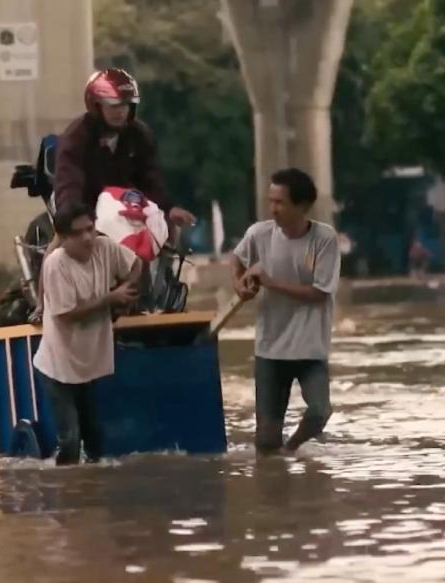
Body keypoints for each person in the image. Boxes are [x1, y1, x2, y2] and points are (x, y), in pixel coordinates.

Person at [33, 68, 196, 318]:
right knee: (58, 244)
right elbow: (69, 182)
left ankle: (155, 297)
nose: (120, 111)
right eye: (113, 105)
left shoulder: (139, 135)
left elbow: (150, 177)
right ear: (96, 105)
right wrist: (74, 220)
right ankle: (42, 304)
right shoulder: (76, 137)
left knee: (165, 235)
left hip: (124, 206)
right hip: (83, 204)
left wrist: (168, 207)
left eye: (126, 105)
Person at [232, 168, 341, 455]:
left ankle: (291, 450)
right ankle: (272, 479)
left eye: (280, 203)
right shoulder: (259, 234)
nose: (273, 209)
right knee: (266, 440)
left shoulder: (324, 239)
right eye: (271, 201)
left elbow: (319, 293)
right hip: (270, 348)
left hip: (310, 349)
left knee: (320, 411)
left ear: (302, 206)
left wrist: (270, 282)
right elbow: (238, 259)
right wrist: (240, 285)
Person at [32, 203, 143, 465]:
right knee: (70, 438)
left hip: (89, 363)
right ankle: (67, 497)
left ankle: (90, 497)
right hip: (57, 366)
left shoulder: (104, 247)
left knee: (95, 437)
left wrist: (126, 289)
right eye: (78, 233)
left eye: (91, 229)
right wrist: (111, 298)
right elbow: (66, 314)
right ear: (64, 238)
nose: (87, 238)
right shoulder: (55, 265)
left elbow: (136, 264)